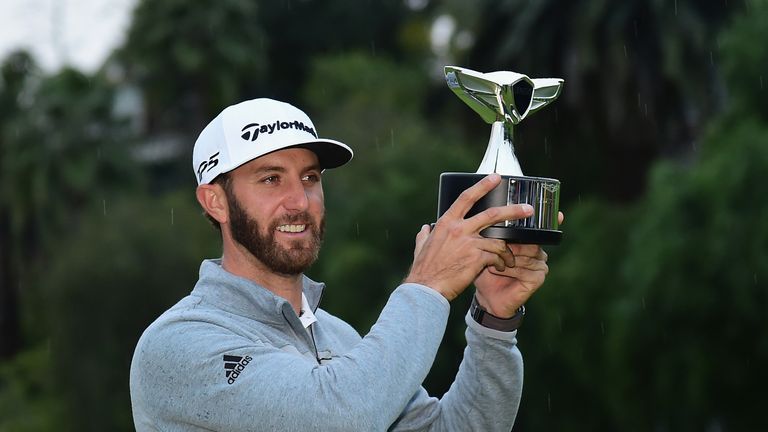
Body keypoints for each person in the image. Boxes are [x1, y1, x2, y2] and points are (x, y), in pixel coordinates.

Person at [130, 98, 557, 431]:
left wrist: (492, 323)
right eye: (270, 178)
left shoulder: (339, 337)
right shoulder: (179, 344)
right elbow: (339, 418)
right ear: (216, 201)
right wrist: (427, 285)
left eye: (310, 178)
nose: (299, 201)